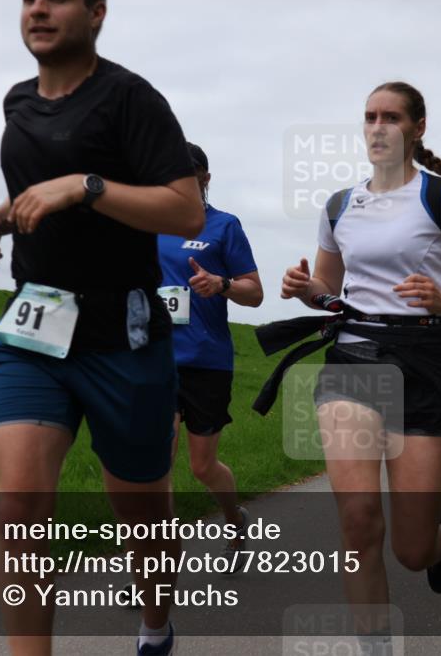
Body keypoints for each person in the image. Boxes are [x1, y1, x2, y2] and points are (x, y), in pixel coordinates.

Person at [0, 0, 203, 654]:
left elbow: (185, 211)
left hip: (120, 331)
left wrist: (87, 186)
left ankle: (156, 624)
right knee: (18, 506)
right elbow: (39, 186)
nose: (38, 9)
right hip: (35, 323)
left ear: (97, 12)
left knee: (142, 514)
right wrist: (2, 216)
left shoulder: (131, 98)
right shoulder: (19, 100)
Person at [255, 81, 441, 648]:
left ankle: (440, 539)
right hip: (354, 359)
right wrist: (306, 290)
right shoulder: (340, 204)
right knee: (359, 520)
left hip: (424, 360)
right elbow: (332, 292)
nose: (377, 126)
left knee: (411, 550)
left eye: (390, 116)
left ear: (417, 128)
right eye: (369, 116)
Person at [157, 142, 263, 571]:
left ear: (204, 178)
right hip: (155, 360)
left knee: (203, 466)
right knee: (153, 465)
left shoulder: (224, 226)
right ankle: (153, 566)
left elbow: (254, 293)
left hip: (207, 360)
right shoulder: (147, 225)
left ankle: (236, 520)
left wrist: (221, 285)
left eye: (186, 175)